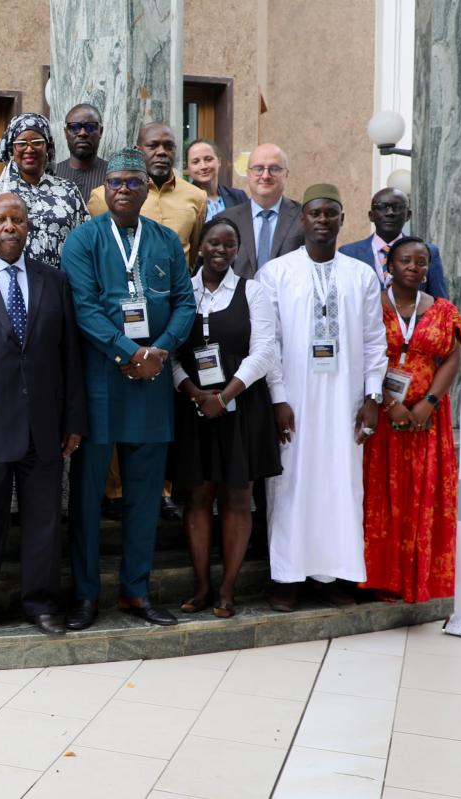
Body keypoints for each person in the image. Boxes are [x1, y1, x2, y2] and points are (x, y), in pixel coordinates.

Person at [62, 149, 196, 630]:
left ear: (145, 189)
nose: (123, 188)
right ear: (104, 189)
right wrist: (127, 351)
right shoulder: (83, 240)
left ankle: (135, 593)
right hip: (101, 380)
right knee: (87, 498)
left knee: (144, 498)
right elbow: (83, 308)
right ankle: (84, 595)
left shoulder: (163, 241)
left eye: (132, 182)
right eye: (115, 181)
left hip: (153, 383)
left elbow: (184, 302)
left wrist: (158, 350)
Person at [0, 192, 85, 637]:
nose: (9, 226)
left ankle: (41, 603)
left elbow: (70, 357)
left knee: (44, 522)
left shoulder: (54, 281)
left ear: (29, 227)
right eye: (1, 219)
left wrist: (73, 421)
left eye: (18, 220)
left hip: (43, 424)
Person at [258, 184, 386, 612]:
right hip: (294, 397)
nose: (323, 220)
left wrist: (372, 395)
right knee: (290, 483)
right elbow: (268, 342)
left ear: (343, 220)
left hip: (345, 399)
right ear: (303, 219)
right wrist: (278, 397)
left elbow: (373, 341)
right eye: (315, 213)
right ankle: (287, 577)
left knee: (340, 484)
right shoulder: (276, 273)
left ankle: (331, 577)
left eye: (332, 213)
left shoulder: (361, 275)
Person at [169, 217, 281, 618]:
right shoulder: (184, 291)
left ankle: (227, 590)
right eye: (213, 243)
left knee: (237, 496)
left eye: (229, 245)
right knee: (198, 496)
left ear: (237, 251)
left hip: (241, 406)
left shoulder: (254, 292)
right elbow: (172, 354)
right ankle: (201, 586)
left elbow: (265, 351)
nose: (220, 250)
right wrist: (195, 393)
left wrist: (226, 393)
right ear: (200, 247)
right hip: (194, 406)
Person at [362, 236, 461, 603]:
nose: (413, 267)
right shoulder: (370, 306)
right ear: (389, 265)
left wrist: (428, 404)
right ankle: (380, 579)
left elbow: (452, 358)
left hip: (427, 421)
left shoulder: (444, 309)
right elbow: (363, 355)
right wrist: (391, 404)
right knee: (381, 496)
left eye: (421, 262)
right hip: (381, 415)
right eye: (405, 260)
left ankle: (419, 580)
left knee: (423, 495)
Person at [88, 123, 207, 271]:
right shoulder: (105, 196)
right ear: (138, 150)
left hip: (177, 289)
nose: (162, 152)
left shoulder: (196, 196)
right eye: (153, 146)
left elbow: (193, 254)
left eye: (169, 146)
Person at [0, 113, 89, 266]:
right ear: (12, 149)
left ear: (47, 147)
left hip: (61, 283)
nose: (29, 149)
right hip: (13, 284)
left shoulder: (68, 190)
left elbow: (84, 240)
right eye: (21, 143)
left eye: (37, 142)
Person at [338, 188, 449, 298]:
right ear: (371, 215)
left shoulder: (428, 252)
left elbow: (440, 305)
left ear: (408, 215)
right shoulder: (348, 253)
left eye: (398, 207)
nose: (390, 213)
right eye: (382, 207)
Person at [217, 143, 303, 278]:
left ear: (286, 174)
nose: (266, 175)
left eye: (274, 169)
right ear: (248, 174)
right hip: (240, 298)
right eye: (258, 168)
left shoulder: (304, 217)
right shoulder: (225, 220)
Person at [53, 103, 108, 200]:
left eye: (90, 127)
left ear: (101, 131)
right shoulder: (52, 174)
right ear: (66, 132)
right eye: (74, 127)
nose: (83, 133)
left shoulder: (113, 177)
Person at [184, 139, 247, 222]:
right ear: (188, 168)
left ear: (219, 161)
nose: (203, 166)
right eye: (196, 162)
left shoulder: (238, 196)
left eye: (208, 159)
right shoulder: (184, 201)